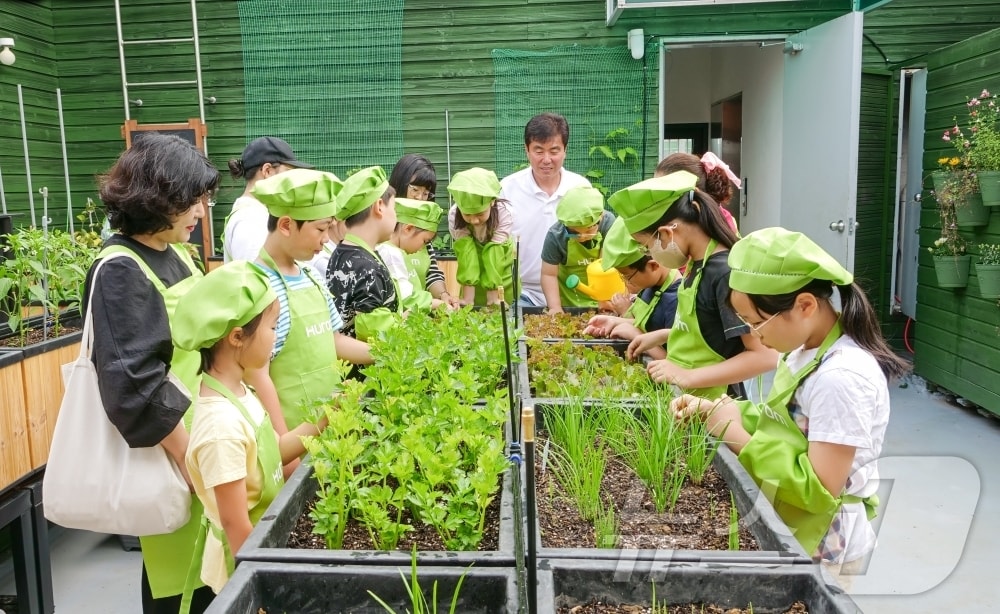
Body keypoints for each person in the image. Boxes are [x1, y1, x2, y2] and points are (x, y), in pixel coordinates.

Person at [671, 227, 908, 588]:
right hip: (789, 519)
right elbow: (784, 421)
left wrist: (734, 434)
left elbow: (819, 489)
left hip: (823, 542)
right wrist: (720, 409)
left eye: (756, 323)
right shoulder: (802, 351)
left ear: (805, 305)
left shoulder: (842, 378)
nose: (754, 335)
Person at [84, 132, 219, 613]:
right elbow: (135, 382)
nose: (200, 211)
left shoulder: (175, 252)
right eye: (191, 200)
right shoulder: (120, 268)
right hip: (173, 451)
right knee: (183, 584)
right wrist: (191, 461)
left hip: (205, 436)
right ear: (158, 197)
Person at [176, 262, 328, 595]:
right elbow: (236, 525)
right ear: (237, 337)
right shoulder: (221, 428)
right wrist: (263, 592)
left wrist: (327, 418)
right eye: (272, 327)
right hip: (244, 565)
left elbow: (273, 453)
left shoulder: (241, 392)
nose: (276, 338)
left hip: (267, 542)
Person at [611, 170, 777, 399]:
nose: (649, 253)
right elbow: (711, 330)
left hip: (718, 405)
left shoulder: (723, 274)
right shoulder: (696, 265)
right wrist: (663, 335)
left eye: (646, 246)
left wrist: (688, 376)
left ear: (666, 233)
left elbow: (764, 356)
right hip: (691, 401)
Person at [247, 168, 371, 434]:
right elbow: (257, 373)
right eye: (321, 229)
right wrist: (283, 444)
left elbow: (332, 339)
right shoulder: (259, 286)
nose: (326, 239)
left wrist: (384, 354)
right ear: (286, 225)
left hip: (331, 428)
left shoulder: (311, 276)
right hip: (294, 434)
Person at [500, 112, 591, 307]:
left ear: (565, 150)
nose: (547, 159)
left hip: (572, 291)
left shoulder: (581, 188)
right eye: (539, 151)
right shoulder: (507, 189)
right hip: (523, 293)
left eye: (554, 151)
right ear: (527, 150)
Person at [582, 217, 681, 356]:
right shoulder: (651, 285)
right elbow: (649, 325)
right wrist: (615, 321)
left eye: (627, 276)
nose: (625, 282)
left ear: (653, 266)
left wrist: (636, 335)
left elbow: (673, 361)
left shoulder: (676, 301)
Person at [325, 166, 400, 340]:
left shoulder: (340, 253)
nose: (396, 217)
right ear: (379, 206)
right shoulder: (367, 267)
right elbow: (374, 332)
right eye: (394, 209)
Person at [222, 137, 312, 262]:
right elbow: (254, 271)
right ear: (267, 171)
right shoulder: (250, 220)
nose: (291, 180)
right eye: (287, 172)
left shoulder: (256, 212)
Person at [387, 153, 457, 307]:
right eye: (415, 190)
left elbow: (431, 273)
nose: (420, 198)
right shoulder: (382, 233)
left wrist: (443, 295)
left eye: (426, 193)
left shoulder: (423, 230)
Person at [539, 185, 616, 313]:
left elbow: (604, 267)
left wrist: (603, 299)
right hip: (571, 301)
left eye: (588, 231)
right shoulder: (556, 235)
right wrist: (555, 307)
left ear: (601, 217)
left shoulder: (608, 224)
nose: (582, 237)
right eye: (574, 233)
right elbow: (549, 274)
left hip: (605, 295)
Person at [448, 167, 515, 305]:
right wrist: (468, 299)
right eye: (467, 214)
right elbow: (466, 253)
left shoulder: (504, 213)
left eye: (480, 214)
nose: (474, 221)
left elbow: (495, 254)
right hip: (472, 275)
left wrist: (493, 298)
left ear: (492, 202)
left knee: (500, 310)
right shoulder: (454, 215)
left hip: (500, 271)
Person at [375, 198, 452, 311]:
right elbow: (406, 297)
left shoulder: (395, 251)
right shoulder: (390, 253)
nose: (423, 247)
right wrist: (437, 304)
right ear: (409, 228)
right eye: (425, 241)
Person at [655, 152, 740, 235]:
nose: (655, 200)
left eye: (663, 193)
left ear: (692, 197)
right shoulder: (726, 224)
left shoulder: (678, 235)